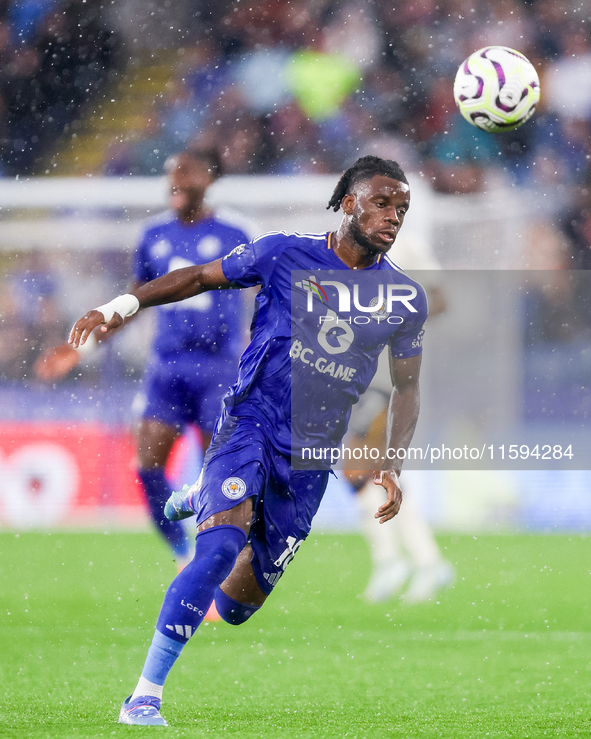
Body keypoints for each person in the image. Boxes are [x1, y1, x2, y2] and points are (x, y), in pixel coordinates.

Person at [68, 155, 428, 727]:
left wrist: (392, 462)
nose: (393, 216)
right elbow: (197, 276)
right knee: (213, 552)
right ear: (348, 203)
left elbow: (408, 389)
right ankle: (143, 696)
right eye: (382, 202)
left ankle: (203, 494)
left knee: (235, 608)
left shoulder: (404, 298)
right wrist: (121, 305)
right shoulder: (284, 251)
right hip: (250, 423)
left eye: (402, 208)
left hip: (310, 458)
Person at [35, 147, 252, 572]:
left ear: (208, 178)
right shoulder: (154, 234)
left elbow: (267, 293)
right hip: (167, 367)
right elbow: (133, 302)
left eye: (185, 173)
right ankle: (184, 552)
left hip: (218, 368)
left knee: (218, 474)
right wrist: (81, 348)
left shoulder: (237, 232)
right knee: (148, 466)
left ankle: (221, 562)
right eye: (170, 174)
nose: (175, 181)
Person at [344, 232, 454, 603]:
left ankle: (398, 559)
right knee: (370, 473)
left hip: (387, 379)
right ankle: (423, 561)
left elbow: (439, 300)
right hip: (354, 375)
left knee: (361, 470)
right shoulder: (344, 248)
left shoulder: (407, 246)